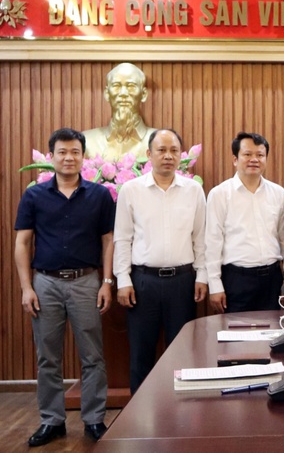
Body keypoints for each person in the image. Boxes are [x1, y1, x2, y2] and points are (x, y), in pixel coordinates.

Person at [14, 128, 115, 446]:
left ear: (83, 157)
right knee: (48, 357)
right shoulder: (33, 195)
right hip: (45, 283)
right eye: (62, 152)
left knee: (93, 356)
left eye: (75, 152)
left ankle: (94, 419)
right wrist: (26, 287)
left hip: (86, 281)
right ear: (51, 156)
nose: (69, 157)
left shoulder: (99, 195)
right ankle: (52, 421)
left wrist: (107, 281)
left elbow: (109, 240)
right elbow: (22, 242)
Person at [113, 129, 207, 394]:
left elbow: (201, 238)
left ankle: (180, 420)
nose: (168, 156)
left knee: (182, 354)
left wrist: (202, 276)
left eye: (174, 151)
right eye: (161, 150)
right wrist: (123, 279)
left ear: (181, 155)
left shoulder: (194, 190)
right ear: (149, 154)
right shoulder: (131, 191)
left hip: (183, 282)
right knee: (141, 355)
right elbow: (122, 238)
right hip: (143, 283)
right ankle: (139, 424)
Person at [206, 132, 284, 313]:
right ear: (235, 159)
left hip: (272, 279)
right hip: (236, 280)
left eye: (260, 155)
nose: (254, 159)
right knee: (237, 337)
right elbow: (213, 241)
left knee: (274, 336)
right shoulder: (220, 194)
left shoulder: (278, 193)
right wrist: (215, 285)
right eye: (247, 154)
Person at [82, 62, 157, 161]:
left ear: (143, 94)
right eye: (116, 86)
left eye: (131, 86)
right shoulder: (87, 141)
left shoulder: (161, 141)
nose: (123, 93)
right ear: (107, 94)